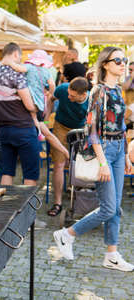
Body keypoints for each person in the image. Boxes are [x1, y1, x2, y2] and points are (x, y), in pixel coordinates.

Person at [53, 47, 133, 272]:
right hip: (104, 150)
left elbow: (122, 126)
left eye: (124, 60)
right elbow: (92, 129)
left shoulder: (117, 90)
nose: (122, 63)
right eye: (117, 60)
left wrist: (126, 153)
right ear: (105, 64)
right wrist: (102, 161)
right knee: (108, 208)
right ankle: (66, 235)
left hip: (118, 148)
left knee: (115, 208)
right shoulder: (98, 91)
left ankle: (112, 255)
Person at [0, 42, 39, 186]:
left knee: (7, 171)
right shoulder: (16, 73)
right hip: (23, 128)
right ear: (16, 54)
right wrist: (39, 106)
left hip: (4, 129)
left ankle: (6, 206)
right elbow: (29, 105)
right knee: (30, 174)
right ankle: (29, 209)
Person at [44, 77, 90, 216]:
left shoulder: (91, 100)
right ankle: (57, 203)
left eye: (73, 96)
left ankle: (76, 197)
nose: (69, 97)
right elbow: (51, 99)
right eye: (68, 94)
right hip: (61, 126)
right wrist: (47, 116)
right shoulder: (63, 89)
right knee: (59, 163)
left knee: (77, 164)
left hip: (80, 129)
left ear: (83, 95)